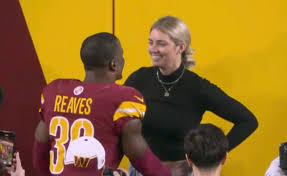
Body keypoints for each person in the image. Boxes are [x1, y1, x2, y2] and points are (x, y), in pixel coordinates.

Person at [124, 16, 258, 175]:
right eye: (150, 42)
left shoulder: (198, 88)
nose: (153, 49)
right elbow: (114, 119)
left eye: (161, 43)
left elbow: (248, 121)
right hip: (140, 171)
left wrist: (212, 156)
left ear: (180, 47)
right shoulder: (139, 78)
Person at [33, 32, 177, 176]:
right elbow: (140, 157)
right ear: (114, 64)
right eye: (122, 56)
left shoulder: (54, 91)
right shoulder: (122, 98)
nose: (124, 60)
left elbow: (40, 155)